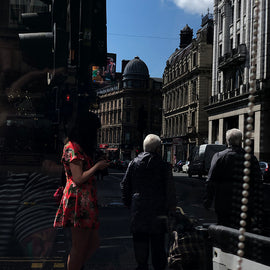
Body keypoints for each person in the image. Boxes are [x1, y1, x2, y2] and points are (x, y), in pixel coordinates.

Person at [53, 109, 109, 270]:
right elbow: (78, 178)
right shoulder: (72, 147)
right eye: (94, 130)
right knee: (79, 246)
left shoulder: (79, 147)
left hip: (84, 200)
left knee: (92, 243)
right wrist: (97, 166)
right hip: (78, 201)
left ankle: (75, 266)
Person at [120, 134, 176, 270]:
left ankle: (142, 266)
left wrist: (130, 203)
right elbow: (170, 190)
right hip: (158, 211)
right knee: (158, 246)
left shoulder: (134, 163)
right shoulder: (163, 165)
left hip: (138, 209)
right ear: (157, 149)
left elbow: (124, 185)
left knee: (140, 245)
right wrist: (171, 210)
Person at [203, 128, 263, 231]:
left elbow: (210, 180)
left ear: (227, 141)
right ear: (241, 141)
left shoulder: (219, 156)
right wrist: (257, 206)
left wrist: (208, 199)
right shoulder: (251, 159)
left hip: (224, 203)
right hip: (245, 203)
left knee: (224, 231)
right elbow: (258, 183)